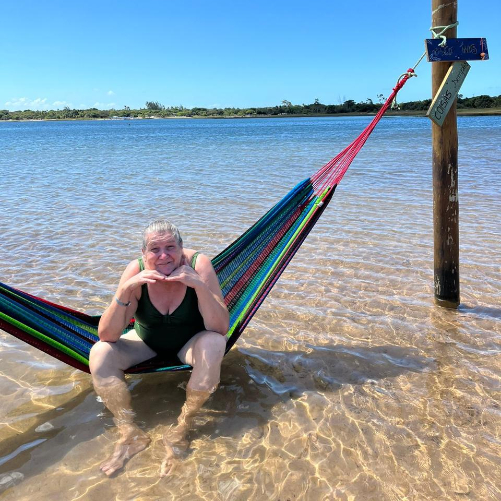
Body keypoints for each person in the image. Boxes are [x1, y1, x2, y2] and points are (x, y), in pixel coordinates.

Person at [89, 219, 229, 477]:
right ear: (144, 253)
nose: (164, 255)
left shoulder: (199, 264)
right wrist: (126, 289)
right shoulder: (136, 270)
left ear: (181, 248)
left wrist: (198, 285)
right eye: (155, 249)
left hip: (190, 344)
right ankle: (129, 434)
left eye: (170, 247)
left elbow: (219, 327)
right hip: (146, 343)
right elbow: (107, 334)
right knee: (100, 351)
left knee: (214, 343)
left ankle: (182, 429)